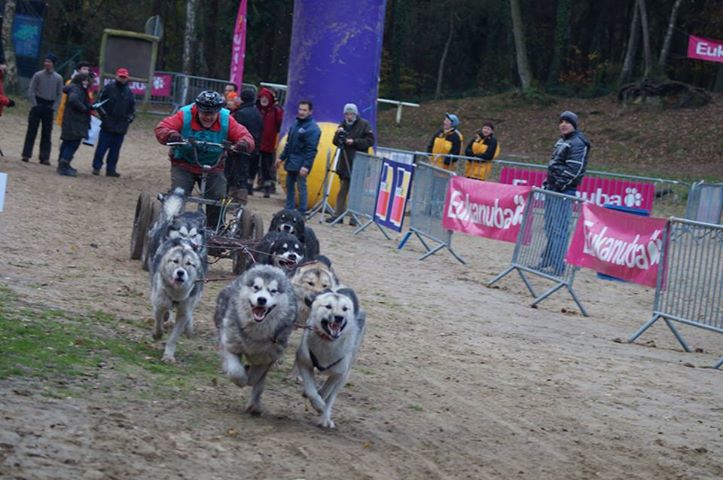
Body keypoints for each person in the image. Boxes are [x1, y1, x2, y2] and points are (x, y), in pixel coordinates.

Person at [154, 90, 254, 230]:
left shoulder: (227, 119)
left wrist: (243, 143)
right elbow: (162, 127)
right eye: (204, 113)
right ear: (197, 109)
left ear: (218, 111)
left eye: (212, 113)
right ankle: (171, 225)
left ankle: (215, 230)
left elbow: (245, 136)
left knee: (218, 199)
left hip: (214, 166)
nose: (208, 117)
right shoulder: (185, 114)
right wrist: (171, 135)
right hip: (184, 163)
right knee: (178, 194)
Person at [537, 111, 591, 276]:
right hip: (552, 189)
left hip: (563, 191)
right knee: (550, 227)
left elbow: (574, 169)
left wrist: (559, 185)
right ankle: (547, 261)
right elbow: (554, 164)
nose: (563, 124)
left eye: (567, 122)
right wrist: (548, 183)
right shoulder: (562, 141)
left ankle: (558, 266)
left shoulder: (578, 143)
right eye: (561, 121)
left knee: (559, 228)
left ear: (574, 124)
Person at [327, 103, 375, 225]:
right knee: (342, 190)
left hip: (359, 162)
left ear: (356, 114)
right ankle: (338, 215)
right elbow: (335, 142)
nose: (349, 116)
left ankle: (354, 217)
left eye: (351, 113)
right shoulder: (342, 125)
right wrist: (339, 135)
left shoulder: (364, 125)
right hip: (344, 162)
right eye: (347, 114)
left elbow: (370, 141)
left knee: (356, 192)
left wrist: (353, 142)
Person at [275, 100, 321, 215]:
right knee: (289, 186)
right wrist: (281, 158)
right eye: (300, 109)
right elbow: (289, 144)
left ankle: (301, 212)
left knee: (301, 188)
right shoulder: (295, 124)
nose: (301, 112)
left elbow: (311, 150)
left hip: (301, 163)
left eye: (304, 110)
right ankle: (288, 209)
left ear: (310, 112)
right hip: (291, 161)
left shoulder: (313, 129)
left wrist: (306, 166)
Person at [91, 67, 135, 177]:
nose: (122, 79)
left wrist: (130, 118)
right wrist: (104, 116)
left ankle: (111, 169)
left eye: (124, 77)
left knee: (115, 150)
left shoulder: (129, 92)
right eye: (120, 76)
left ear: (127, 78)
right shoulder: (108, 88)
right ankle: (97, 167)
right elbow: (98, 103)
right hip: (107, 124)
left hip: (121, 126)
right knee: (102, 147)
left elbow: (132, 108)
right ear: (116, 76)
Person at [21, 53, 63, 165]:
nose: (46, 63)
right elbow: (31, 90)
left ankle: (44, 157)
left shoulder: (58, 78)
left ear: (53, 64)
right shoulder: (38, 75)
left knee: (47, 133)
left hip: (49, 107)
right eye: (45, 61)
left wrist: (54, 108)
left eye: (49, 62)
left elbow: (60, 94)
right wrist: (34, 104)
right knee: (31, 131)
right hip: (38, 105)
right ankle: (26, 154)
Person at [227, 88, 263, 203]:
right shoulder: (258, 113)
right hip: (253, 148)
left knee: (234, 173)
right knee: (245, 173)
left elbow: (234, 132)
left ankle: (234, 198)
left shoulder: (240, 113)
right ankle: (241, 198)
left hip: (240, 148)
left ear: (242, 99)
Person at [57, 73, 92, 177]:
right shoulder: (77, 89)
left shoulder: (72, 88)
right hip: (75, 121)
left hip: (70, 120)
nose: (88, 82)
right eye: (86, 80)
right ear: (82, 80)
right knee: (73, 142)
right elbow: (73, 100)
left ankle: (63, 163)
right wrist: (84, 108)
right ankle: (64, 164)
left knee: (67, 141)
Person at [256, 87, 284, 195]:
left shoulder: (276, 110)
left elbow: (279, 125)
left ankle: (269, 186)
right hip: (257, 142)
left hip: (270, 143)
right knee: (254, 164)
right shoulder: (258, 109)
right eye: (262, 97)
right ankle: (256, 184)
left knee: (267, 166)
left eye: (266, 97)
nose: (264, 99)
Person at [55, 60, 93, 127]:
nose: (86, 71)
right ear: (78, 70)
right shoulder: (70, 83)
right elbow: (64, 102)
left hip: (81, 118)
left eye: (88, 69)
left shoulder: (87, 84)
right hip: (71, 117)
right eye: (84, 69)